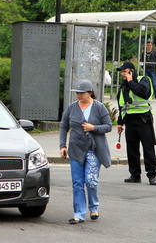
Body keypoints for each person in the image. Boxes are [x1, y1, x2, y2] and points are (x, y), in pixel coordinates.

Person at [59, 79, 112, 225]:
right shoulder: (71, 108)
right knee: (77, 183)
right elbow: (64, 126)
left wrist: (93, 128)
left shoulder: (99, 107)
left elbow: (108, 126)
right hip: (76, 149)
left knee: (91, 181)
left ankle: (94, 207)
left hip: (93, 150)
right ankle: (79, 214)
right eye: (77, 93)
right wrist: (62, 146)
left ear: (89, 92)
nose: (78, 95)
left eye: (81, 93)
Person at [116, 61, 156, 185]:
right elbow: (122, 106)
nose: (123, 74)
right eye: (122, 72)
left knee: (148, 148)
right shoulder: (123, 86)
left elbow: (143, 93)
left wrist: (130, 81)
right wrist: (120, 122)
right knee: (132, 149)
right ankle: (135, 175)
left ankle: (152, 175)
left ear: (131, 71)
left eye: (125, 71)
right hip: (130, 121)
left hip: (144, 119)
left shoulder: (144, 80)